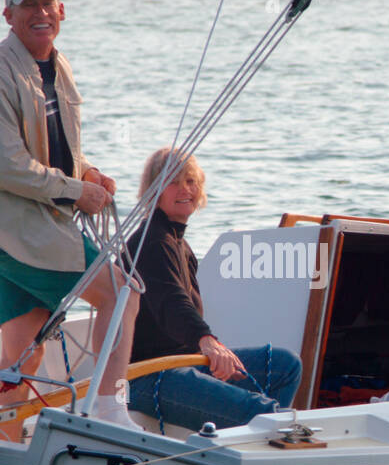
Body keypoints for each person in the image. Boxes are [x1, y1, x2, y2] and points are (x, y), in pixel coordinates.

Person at [0, 0, 139, 436]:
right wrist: (76, 192)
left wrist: (86, 172)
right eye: (28, 6)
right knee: (122, 293)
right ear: (8, 16)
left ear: (62, 11)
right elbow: (7, 168)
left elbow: (58, 146)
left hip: (28, 220)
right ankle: (107, 410)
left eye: (47, 4)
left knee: (23, 351)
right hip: (9, 225)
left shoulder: (57, 66)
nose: (40, 13)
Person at [125, 148, 300, 431]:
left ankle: (247, 446)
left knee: (285, 366)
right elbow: (173, 302)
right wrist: (207, 341)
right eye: (173, 182)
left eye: (191, 181)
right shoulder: (151, 241)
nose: (185, 189)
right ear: (153, 191)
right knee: (262, 412)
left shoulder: (178, 243)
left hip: (183, 363)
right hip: (147, 374)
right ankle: (265, 442)